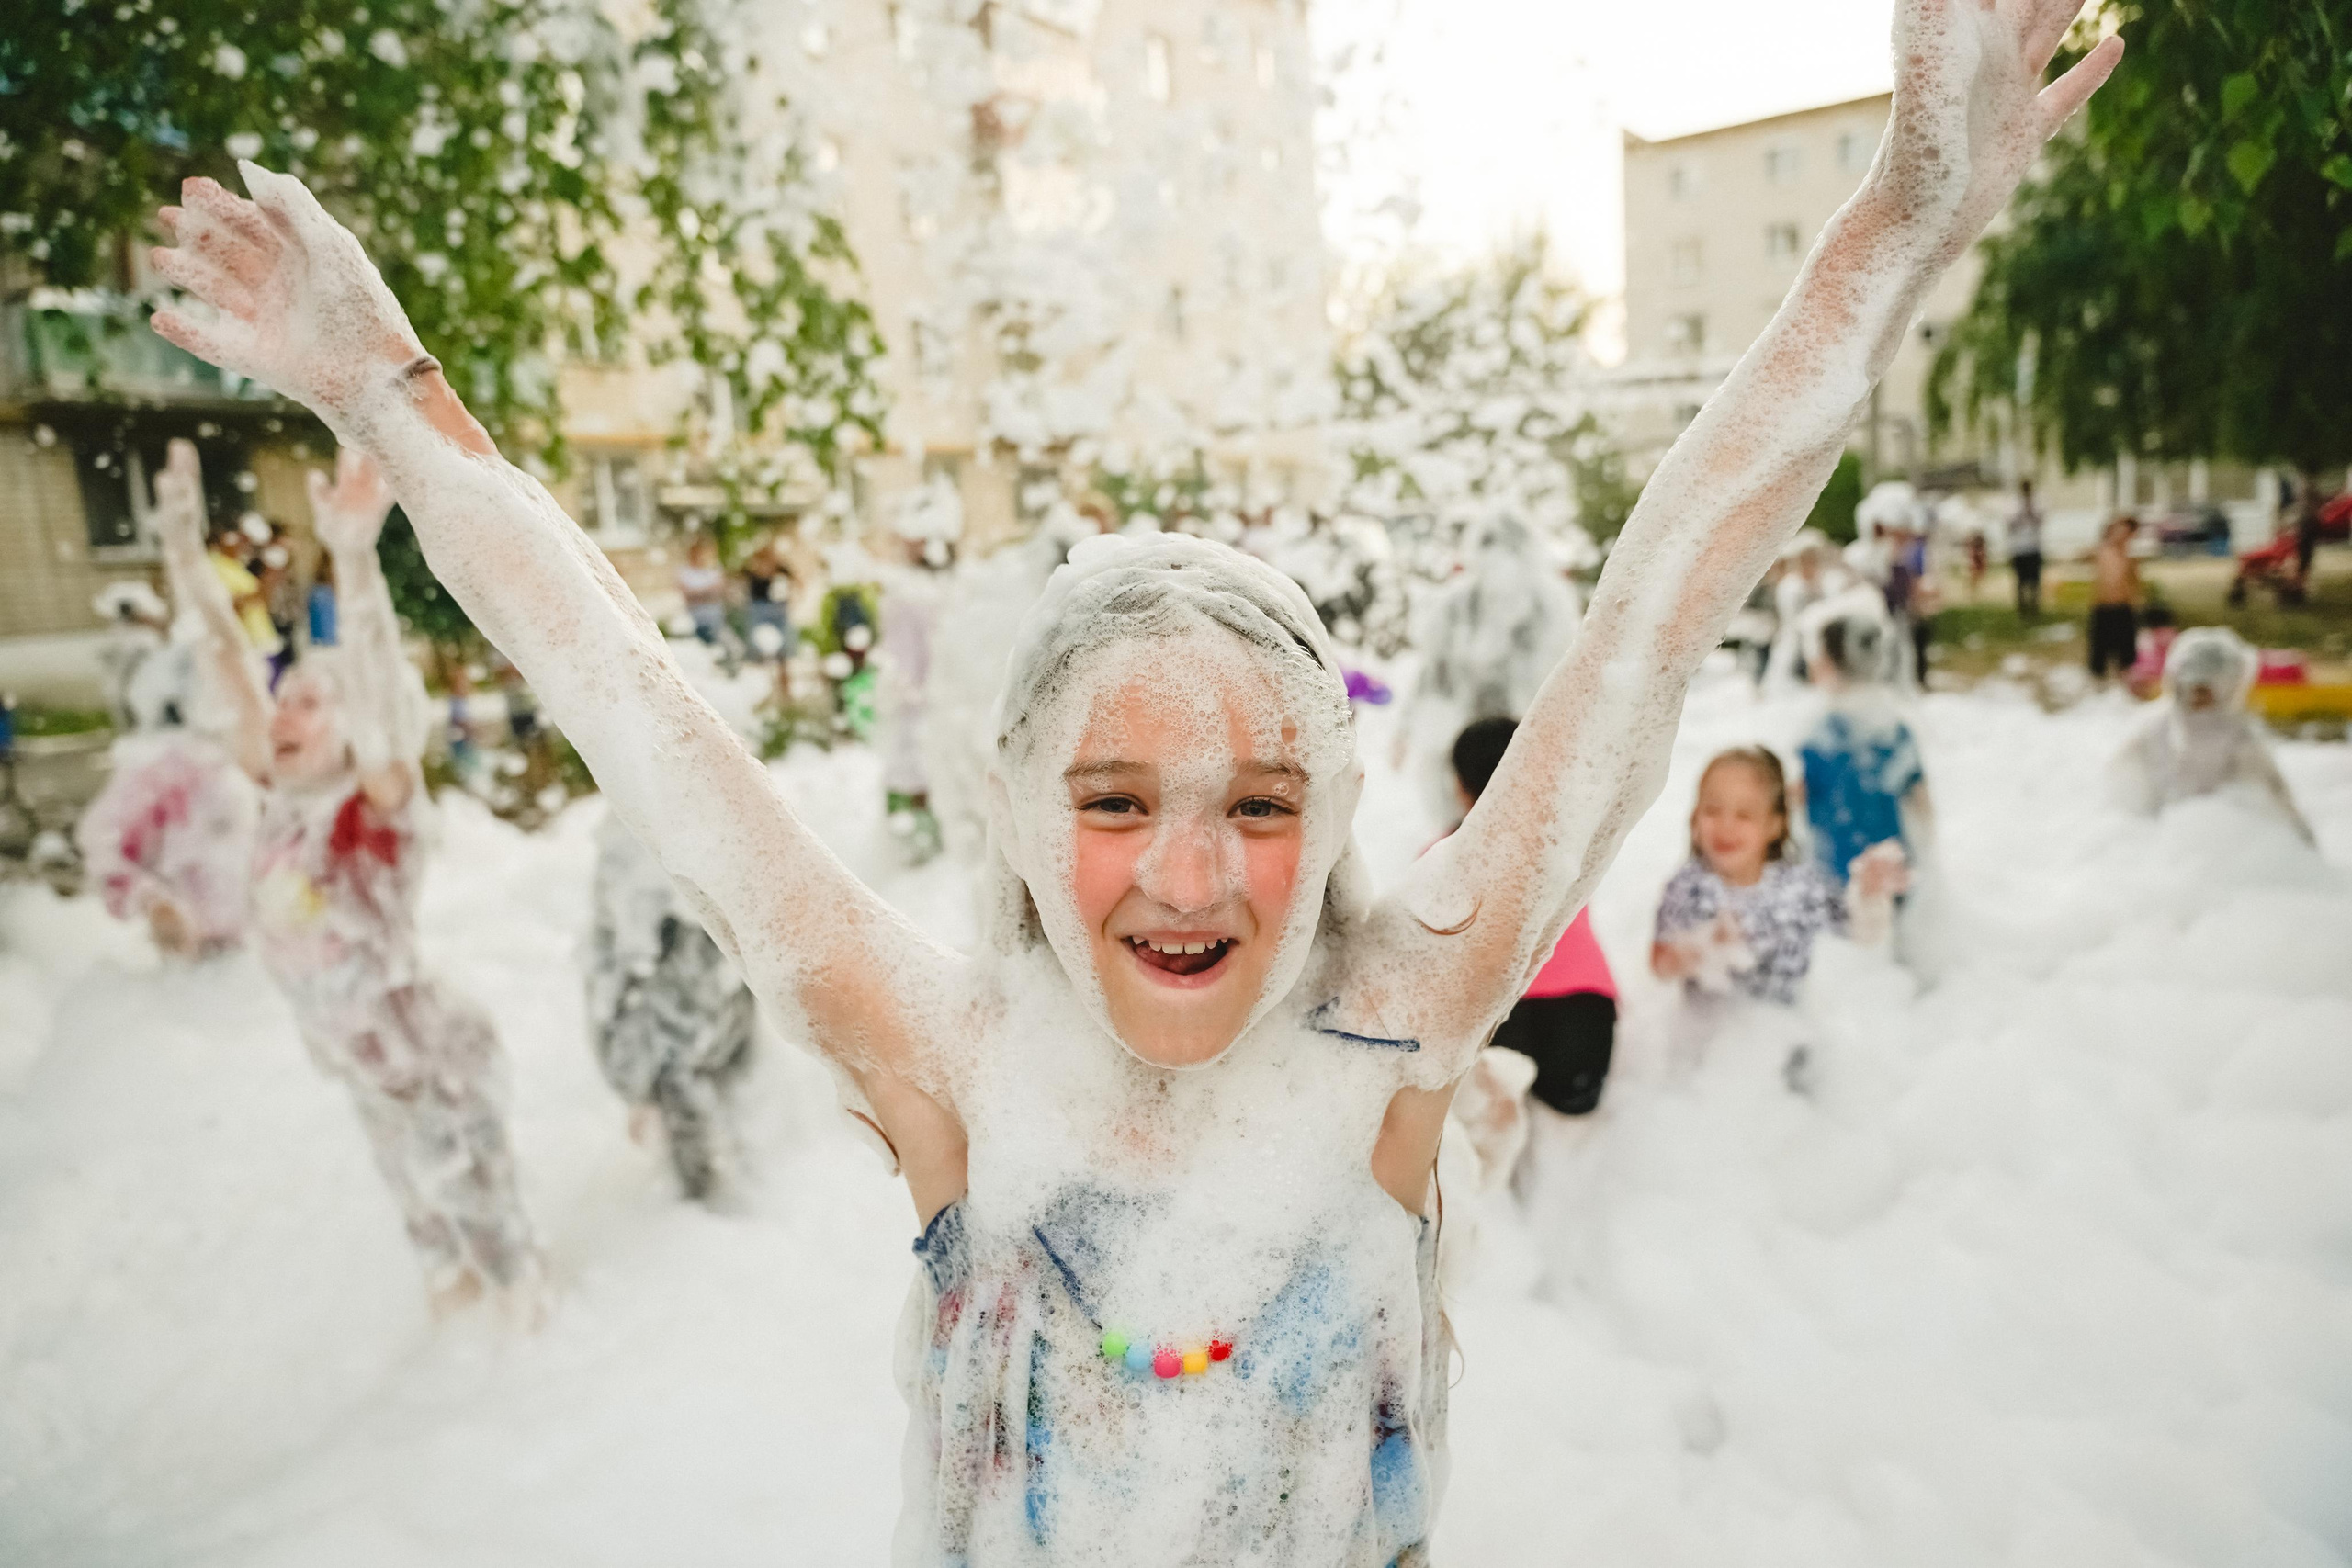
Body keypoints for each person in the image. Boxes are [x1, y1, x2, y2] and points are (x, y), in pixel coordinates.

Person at [148, 18, 2120, 1549]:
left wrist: (1897, 213)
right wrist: (391, 400)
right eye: (1115, 799)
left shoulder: (1396, 1019)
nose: (1191, 865)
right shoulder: (949, 1061)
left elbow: (1662, 592)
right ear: (1020, 820)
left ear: (1331, 824)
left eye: (1262, 801)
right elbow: (643, 713)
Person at [153, 438, 542, 1319]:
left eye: (307, 704)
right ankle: (457, 1322)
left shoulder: (371, 812)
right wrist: (183, 554)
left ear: (348, 731)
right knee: (419, 1209)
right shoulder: (280, 794)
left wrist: (358, 559)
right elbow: (226, 652)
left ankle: (528, 1315)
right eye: (283, 700)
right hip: (362, 1063)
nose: (282, 711)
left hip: (430, 1054)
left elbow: (376, 703)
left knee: (483, 1208)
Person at [1445, 717, 1617, 1116]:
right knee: (1576, 1095)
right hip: (1583, 996)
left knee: (1494, 1087)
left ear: (1459, 788)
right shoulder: (1570, 844)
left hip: (1502, 1004)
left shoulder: (1442, 857)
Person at [586, 813, 759, 1200]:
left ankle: (716, 1199)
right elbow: (621, 945)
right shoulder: (633, 836)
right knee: (694, 1085)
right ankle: (711, 1203)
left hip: (696, 996)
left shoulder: (641, 831)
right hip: (680, 1000)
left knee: (705, 1085)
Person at [1652, 747, 1906, 1009]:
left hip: (1781, 1032)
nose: (1726, 825)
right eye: (1712, 810)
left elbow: (1860, 931)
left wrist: (1869, 893)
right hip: (1710, 1035)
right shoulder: (1688, 887)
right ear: (1695, 816)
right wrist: (1698, 950)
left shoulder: (1797, 889)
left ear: (1774, 825)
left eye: (1744, 815)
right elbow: (1659, 966)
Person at [2109, 626, 2312, 840]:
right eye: (2191, 685)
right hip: (2161, 836)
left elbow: (2275, 799)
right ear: (2175, 679)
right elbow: (2120, 796)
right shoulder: (2152, 729)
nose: (2197, 695)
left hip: (2216, 839)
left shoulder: (2239, 736)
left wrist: (2304, 844)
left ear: (2230, 686)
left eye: (2207, 688)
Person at [1797, 607, 1931, 891]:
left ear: (1828, 664)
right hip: (1895, 865)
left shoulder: (1821, 736)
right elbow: (1921, 803)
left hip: (1838, 870)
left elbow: (1797, 801)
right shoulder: (1895, 729)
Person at [2088, 514, 2141, 681]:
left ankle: (2124, 677)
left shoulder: (2128, 556)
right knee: (2100, 651)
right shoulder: (2103, 551)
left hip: (2123, 607)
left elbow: (2134, 584)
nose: (2122, 535)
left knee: (2126, 653)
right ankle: (2100, 677)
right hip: (2103, 607)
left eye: (2126, 532)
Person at [676, 533, 729, 648]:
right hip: (695, 616)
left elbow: (720, 590)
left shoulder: (715, 568)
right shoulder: (684, 570)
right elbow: (687, 594)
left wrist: (698, 592)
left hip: (714, 616)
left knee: (716, 646)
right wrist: (707, 591)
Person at [2007, 479, 2045, 616]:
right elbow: (2009, 524)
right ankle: (2022, 608)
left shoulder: (2037, 502)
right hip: (2019, 547)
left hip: (2034, 546)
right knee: (2021, 580)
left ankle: (2034, 607)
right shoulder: (2014, 503)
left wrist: (2030, 509)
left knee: (2035, 580)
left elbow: (2040, 520)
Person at [307, 549, 339, 647]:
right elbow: (333, 583)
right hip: (326, 593)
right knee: (327, 618)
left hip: (316, 592)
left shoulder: (315, 568)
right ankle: (328, 638)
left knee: (316, 617)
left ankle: (316, 638)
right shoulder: (329, 569)